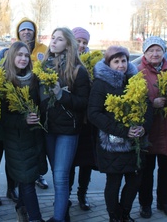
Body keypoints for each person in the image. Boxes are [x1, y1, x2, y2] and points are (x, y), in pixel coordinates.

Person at [88, 46, 153, 222]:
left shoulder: (134, 80)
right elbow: (93, 113)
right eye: (116, 61)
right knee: (114, 183)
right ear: (108, 64)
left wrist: (143, 127)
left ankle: (124, 212)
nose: (121, 65)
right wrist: (124, 131)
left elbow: (147, 107)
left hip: (135, 144)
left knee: (134, 182)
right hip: (112, 143)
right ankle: (114, 217)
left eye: (123, 60)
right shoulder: (101, 83)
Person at [39, 27, 91, 222]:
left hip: (68, 131)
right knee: (56, 174)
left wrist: (62, 94)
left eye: (59, 39)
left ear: (68, 44)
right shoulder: (43, 67)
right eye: (53, 38)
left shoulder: (78, 70)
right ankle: (63, 214)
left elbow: (83, 103)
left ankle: (59, 218)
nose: (53, 42)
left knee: (61, 176)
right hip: (48, 128)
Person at [137, 36, 167, 219]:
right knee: (146, 172)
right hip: (149, 132)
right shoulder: (137, 73)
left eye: (158, 50)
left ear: (164, 51)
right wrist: (152, 103)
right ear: (145, 53)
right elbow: (133, 102)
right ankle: (145, 204)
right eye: (151, 50)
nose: (155, 53)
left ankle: (164, 202)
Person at [1, 41, 48, 222]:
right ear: (12, 57)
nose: (22, 58)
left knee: (27, 177)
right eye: (19, 55)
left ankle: (21, 208)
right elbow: (2, 118)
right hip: (16, 140)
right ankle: (36, 218)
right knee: (27, 181)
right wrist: (23, 120)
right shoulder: (4, 81)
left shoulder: (35, 78)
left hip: (35, 137)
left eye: (26, 55)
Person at [15, 17, 49, 190]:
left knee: (38, 143)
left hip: (39, 99)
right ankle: (15, 182)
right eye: (23, 30)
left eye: (29, 29)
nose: (27, 32)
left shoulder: (44, 49)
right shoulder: (12, 51)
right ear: (18, 33)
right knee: (20, 148)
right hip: (19, 100)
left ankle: (39, 175)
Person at [68, 27, 97, 211]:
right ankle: (66, 194)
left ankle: (82, 193)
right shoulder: (66, 61)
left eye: (85, 42)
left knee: (86, 162)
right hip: (70, 120)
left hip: (88, 123)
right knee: (68, 163)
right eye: (78, 41)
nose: (81, 45)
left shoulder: (95, 63)